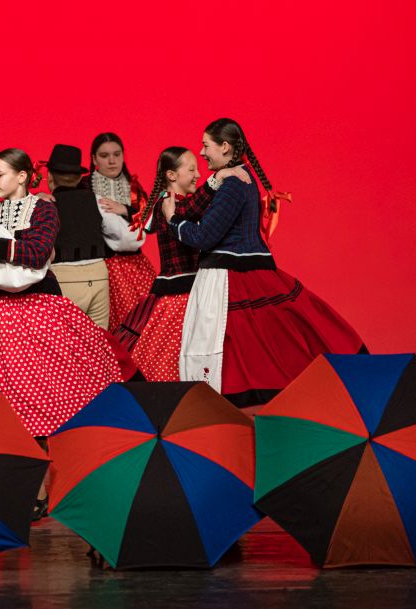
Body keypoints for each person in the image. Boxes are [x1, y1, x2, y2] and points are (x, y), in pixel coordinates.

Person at [0, 148, 136, 518]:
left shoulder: (44, 209)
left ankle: (78, 482)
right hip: (3, 316)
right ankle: (33, 491)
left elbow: (37, 253)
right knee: (14, 407)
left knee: (59, 399)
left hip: (41, 312)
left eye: (0, 174)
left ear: (21, 177)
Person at [163, 118, 364, 405]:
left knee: (235, 355)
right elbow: (201, 213)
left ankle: (230, 413)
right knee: (263, 349)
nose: (202, 152)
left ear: (224, 146)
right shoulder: (236, 178)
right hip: (243, 271)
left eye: (206, 146)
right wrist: (216, 179)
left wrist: (172, 220)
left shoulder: (234, 184)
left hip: (228, 276)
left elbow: (204, 236)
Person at [116, 147, 249, 381]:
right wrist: (218, 177)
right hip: (179, 297)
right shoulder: (169, 204)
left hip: (188, 291)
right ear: (172, 175)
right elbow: (192, 208)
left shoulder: (178, 204)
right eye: (191, 170)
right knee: (174, 359)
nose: (198, 174)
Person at [82, 132, 157, 329]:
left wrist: (124, 209)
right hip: (102, 264)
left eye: (117, 154)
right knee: (111, 324)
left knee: (145, 321)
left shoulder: (133, 186)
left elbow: (152, 225)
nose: (112, 161)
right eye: (104, 156)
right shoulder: (84, 186)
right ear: (94, 159)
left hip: (135, 265)